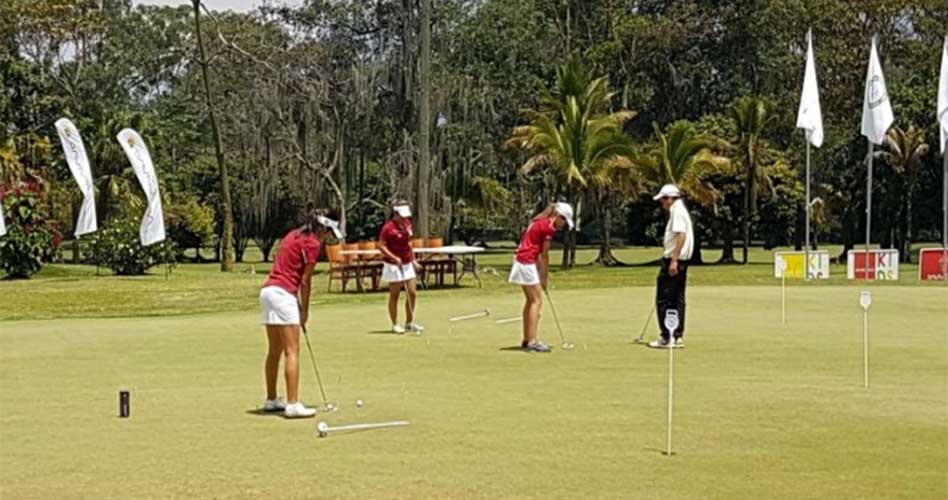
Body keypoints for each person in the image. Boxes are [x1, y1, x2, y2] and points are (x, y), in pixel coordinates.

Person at [258, 207, 343, 418]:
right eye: (329, 233)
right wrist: (305, 311)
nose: (328, 238)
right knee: (292, 351)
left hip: (268, 292)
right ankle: (293, 404)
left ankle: (271, 399)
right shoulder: (313, 243)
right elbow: (305, 281)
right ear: (324, 228)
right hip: (283, 295)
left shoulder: (293, 234)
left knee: (275, 350)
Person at [508, 202, 574, 352]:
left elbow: (538, 251)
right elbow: (544, 255)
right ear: (559, 216)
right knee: (536, 301)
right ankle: (532, 341)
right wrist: (544, 277)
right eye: (564, 221)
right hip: (526, 262)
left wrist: (540, 274)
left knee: (531, 300)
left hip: (521, 260)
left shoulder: (539, 221)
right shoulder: (548, 227)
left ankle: (527, 339)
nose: (563, 225)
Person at [649, 184, 693, 349]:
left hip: (675, 260)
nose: (661, 203)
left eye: (662, 199)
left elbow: (681, 235)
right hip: (681, 260)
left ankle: (667, 336)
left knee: (664, 299)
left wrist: (674, 260)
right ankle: (677, 335)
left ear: (669, 199)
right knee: (677, 298)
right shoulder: (679, 210)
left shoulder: (677, 211)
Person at [378, 200, 424, 334]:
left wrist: (413, 260)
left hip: (407, 263)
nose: (405, 218)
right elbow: (381, 246)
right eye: (402, 216)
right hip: (393, 265)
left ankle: (409, 323)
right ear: (396, 213)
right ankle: (395, 324)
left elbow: (409, 244)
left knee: (412, 293)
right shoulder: (388, 228)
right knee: (395, 295)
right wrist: (394, 257)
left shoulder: (407, 224)